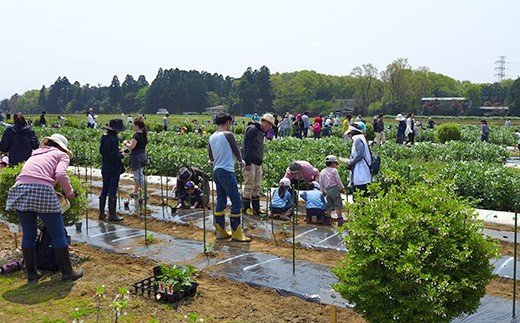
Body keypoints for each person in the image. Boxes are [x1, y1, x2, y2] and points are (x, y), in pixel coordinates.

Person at [5, 134, 83, 283]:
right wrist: (70, 193)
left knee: (28, 235)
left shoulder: (35, 153)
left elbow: (34, 176)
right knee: (58, 234)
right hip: (41, 191)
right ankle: (68, 273)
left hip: (19, 189)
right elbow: (60, 174)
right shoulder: (61, 155)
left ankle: (32, 276)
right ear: (62, 147)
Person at [208, 112, 250, 242]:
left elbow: (210, 154)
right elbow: (235, 148)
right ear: (227, 123)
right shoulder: (228, 134)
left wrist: (213, 160)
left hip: (217, 171)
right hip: (227, 171)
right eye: (230, 123)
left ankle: (220, 231)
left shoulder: (212, 136)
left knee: (221, 199)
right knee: (236, 201)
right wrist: (240, 160)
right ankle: (237, 233)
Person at [242, 113, 274, 217]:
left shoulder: (261, 132)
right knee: (249, 185)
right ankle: (246, 208)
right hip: (250, 162)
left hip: (258, 162)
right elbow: (246, 146)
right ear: (265, 122)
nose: (269, 128)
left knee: (257, 186)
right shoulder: (252, 129)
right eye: (269, 125)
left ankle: (256, 209)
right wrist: (246, 162)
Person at [99, 119, 125, 222]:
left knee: (104, 189)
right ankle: (112, 214)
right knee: (112, 190)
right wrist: (121, 154)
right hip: (114, 168)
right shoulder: (114, 140)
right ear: (116, 130)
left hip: (105, 166)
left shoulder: (104, 137)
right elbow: (114, 155)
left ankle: (101, 213)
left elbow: (102, 151)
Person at [124, 117, 148, 198]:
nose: (133, 127)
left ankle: (145, 194)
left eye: (134, 126)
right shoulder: (144, 134)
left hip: (137, 157)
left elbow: (131, 147)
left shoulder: (137, 135)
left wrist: (126, 143)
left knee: (138, 177)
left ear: (137, 126)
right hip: (143, 156)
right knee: (139, 175)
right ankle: (135, 192)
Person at [345, 124, 372, 194]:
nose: (349, 136)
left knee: (360, 195)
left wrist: (350, 162)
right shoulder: (361, 139)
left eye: (349, 134)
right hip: (362, 172)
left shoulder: (358, 140)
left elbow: (360, 155)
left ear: (353, 132)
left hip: (361, 172)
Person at [319, 155, 345, 226]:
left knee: (329, 205)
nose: (336, 165)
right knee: (338, 204)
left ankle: (328, 220)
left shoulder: (322, 171)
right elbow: (338, 180)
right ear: (332, 163)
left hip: (327, 190)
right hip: (334, 189)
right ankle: (340, 220)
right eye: (335, 164)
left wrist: (322, 191)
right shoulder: (334, 171)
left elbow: (320, 182)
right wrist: (342, 188)